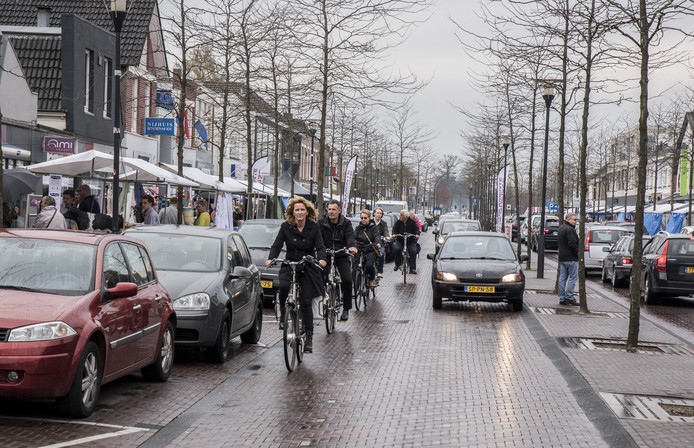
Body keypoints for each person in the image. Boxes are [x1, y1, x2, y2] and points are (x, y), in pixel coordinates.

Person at [266, 197, 327, 354]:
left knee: (306, 301)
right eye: (297, 210)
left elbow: (320, 246)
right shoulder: (286, 227)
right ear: (292, 212)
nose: (299, 212)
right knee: (284, 286)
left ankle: (309, 337)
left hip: (307, 266)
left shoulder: (313, 228)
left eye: (302, 210)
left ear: (307, 212)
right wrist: (271, 258)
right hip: (290, 264)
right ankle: (282, 315)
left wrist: (322, 259)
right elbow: (277, 244)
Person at [318, 199, 358, 322]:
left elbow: (350, 236)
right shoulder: (321, 223)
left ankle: (346, 308)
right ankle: (324, 299)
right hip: (326, 255)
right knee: (319, 276)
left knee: (347, 279)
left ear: (339, 210)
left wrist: (351, 246)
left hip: (341, 254)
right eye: (329, 209)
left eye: (334, 209)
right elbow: (317, 236)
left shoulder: (346, 223)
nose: (331, 212)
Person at [354, 209, 382, 289]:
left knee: (369, 265)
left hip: (370, 249)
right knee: (355, 269)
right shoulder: (358, 228)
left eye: (365, 218)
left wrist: (378, 243)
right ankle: (355, 287)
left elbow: (377, 236)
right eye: (362, 218)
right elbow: (353, 237)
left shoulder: (373, 227)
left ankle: (371, 279)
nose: (363, 220)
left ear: (369, 218)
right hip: (360, 249)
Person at [557, 212, 579, 306]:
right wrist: (576, 254)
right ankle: (569, 297)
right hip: (571, 258)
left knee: (562, 278)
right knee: (572, 278)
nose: (576, 222)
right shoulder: (570, 230)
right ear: (568, 219)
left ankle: (561, 298)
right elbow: (572, 243)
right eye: (574, 219)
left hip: (562, 257)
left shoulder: (561, 228)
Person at [392, 209, 420, 274]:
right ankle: (397, 264)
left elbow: (416, 229)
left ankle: (412, 268)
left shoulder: (412, 222)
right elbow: (394, 229)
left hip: (410, 241)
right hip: (400, 240)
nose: (400, 216)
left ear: (406, 217)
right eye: (400, 215)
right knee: (397, 249)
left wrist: (417, 234)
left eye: (401, 215)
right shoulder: (398, 222)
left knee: (413, 251)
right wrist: (394, 234)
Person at [373, 207, 390, 278]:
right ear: (374, 213)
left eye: (380, 213)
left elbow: (386, 231)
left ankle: (380, 271)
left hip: (381, 243)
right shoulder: (370, 222)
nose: (379, 215)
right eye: (377, 213)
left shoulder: (383, 223)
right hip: (372, 243)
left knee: (381, 253)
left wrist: (387, 236)